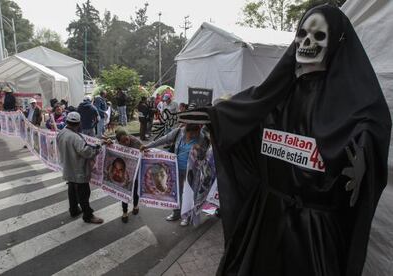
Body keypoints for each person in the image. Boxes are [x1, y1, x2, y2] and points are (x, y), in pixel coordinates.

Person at [177, 5, 392, 276]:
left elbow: (372, 125)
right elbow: (249, 111)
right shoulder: (277, 97)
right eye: (302, 34)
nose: (307, 43)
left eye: (318, 36)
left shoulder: (352, 108)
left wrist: (366, 155)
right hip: (264, 224)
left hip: (312, 237)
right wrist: (216, 118)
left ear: (338, 41)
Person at [141, 123, 207, 226]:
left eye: (193, 135)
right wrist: (148, 146)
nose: (190, 137)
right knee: (177, 192)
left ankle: (187, 216)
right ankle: (176, 213)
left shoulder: (201, 137)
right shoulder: (179, 132)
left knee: (188, 194)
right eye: (189, 134)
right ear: (186, 130)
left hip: (191, 171)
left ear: (196, 132)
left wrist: (200, 150)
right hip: (175, 168)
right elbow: (163, 139)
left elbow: (204, 156)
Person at [56, 112, 104, 224]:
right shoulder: (75, 137)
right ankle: (88, 216)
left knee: (72, 190)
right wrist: (98, 148)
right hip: (78, 170)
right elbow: (86, 152)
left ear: (67, 122)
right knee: (84, 194)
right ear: (78, 123)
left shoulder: (62, 133)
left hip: (68, 168)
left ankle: (73, 210)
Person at [106, 127, 142, 223]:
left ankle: (135, 205)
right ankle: (125, 212)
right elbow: (111, 145)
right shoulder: (116, 143)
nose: (126, 142)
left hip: (135, 171)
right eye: (123, 141)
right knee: (124, 190)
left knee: (135, 189)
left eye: (127, 138)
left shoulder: (136, 142)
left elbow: (144, 152)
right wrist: (109, 142)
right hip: (124, 171)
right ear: (119, 141)